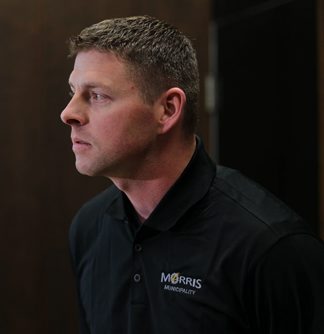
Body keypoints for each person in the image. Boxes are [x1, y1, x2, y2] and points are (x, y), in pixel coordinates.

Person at [60, 15, 324, 334]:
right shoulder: (89, 227)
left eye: (97, 95)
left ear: (168, 110)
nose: (69, 113)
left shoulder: (271, 247)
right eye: (73, 92)